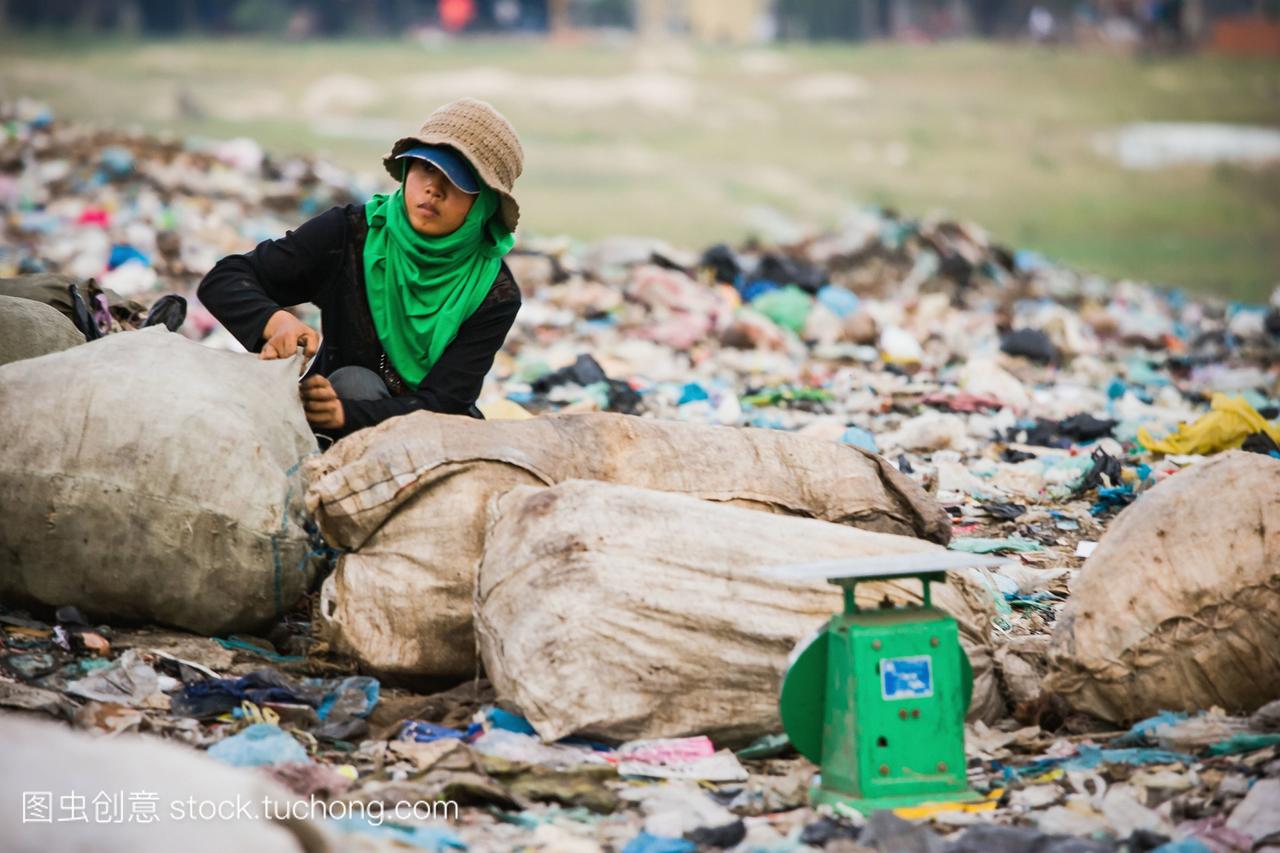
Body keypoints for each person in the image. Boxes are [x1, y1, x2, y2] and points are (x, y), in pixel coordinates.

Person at [198, 98, 523, 438]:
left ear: (483, 203)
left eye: (456, 181)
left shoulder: (493, 293)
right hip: (328, 432)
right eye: (427, 168)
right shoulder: (349, 234)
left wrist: (348, 415)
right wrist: (274, 322)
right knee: (354, 381)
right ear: (408, 168)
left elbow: (446, 401)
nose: (433, 189)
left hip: (432, 437)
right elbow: (226, 279)